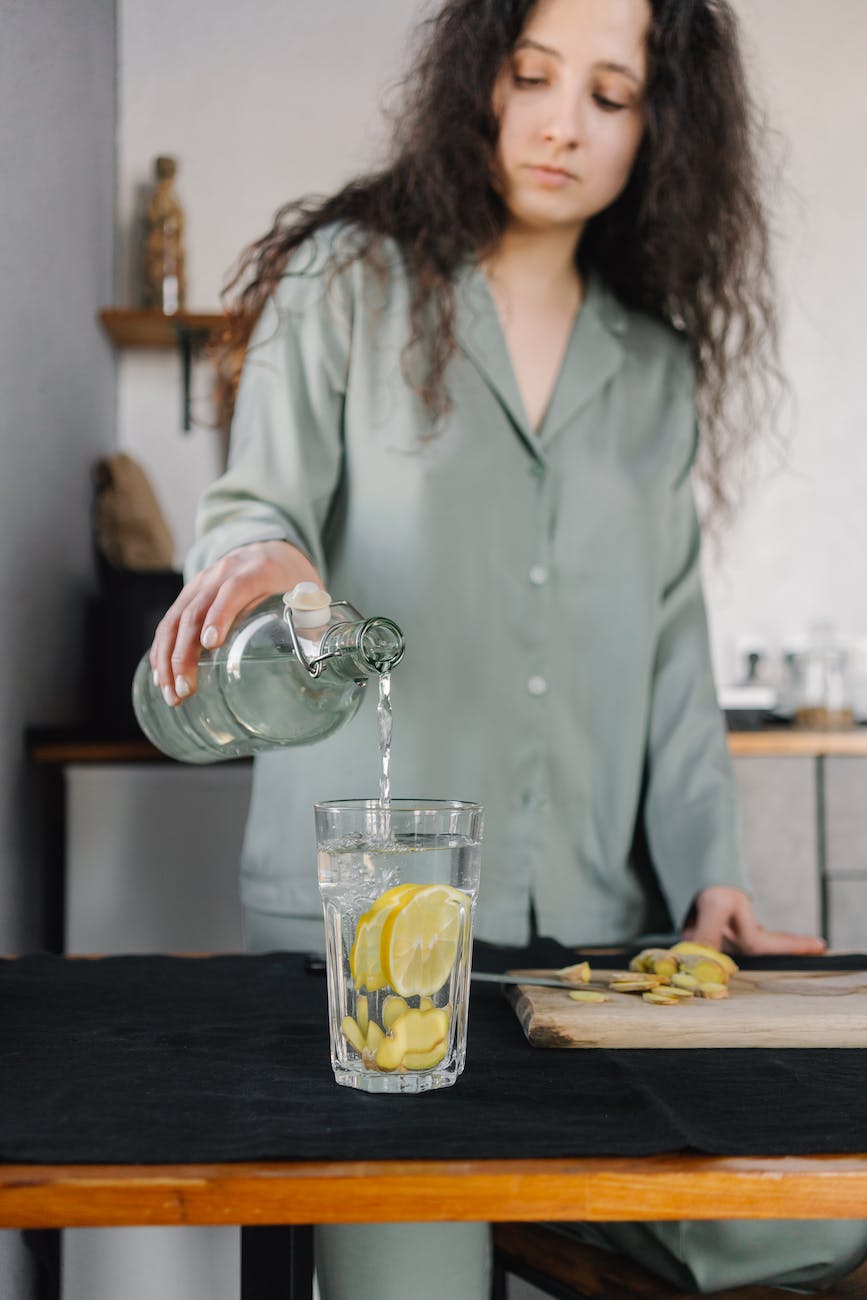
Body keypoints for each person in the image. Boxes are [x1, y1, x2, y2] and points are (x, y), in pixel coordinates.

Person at [149, 0, 867, 1294]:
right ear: (481, 79)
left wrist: (714, 877)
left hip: (592, 938)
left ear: (661, 125)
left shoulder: (657, 371)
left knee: (808, 1208)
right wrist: (263, 568)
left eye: (611, 93)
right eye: (534, 75)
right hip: (366, 939)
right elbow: (259, 516)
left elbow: (672, 658)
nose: (560, 124)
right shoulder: (348, 285)